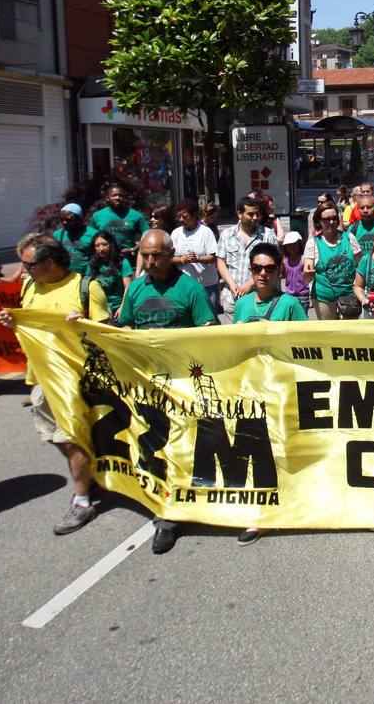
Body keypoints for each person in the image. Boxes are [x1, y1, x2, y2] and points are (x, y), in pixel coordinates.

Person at [0, 237, 111, 535]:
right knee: (54, 436)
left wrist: (84, 322)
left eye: (29, 264)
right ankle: (90, 476)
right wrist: (13, 321)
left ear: (50, 262)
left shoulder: (86, 288)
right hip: (40, 377)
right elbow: (31, 324)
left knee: (73, 436)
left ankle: (83, 499)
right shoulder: (29, 286)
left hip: (74, 379)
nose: (24, 270)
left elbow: (106, 332)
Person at [119, 229, 216, 554]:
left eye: (156, 255)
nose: (149, 261)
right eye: (145, 255)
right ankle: (166, 505)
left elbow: (209, 330)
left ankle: (171, 516)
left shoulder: (189, 288)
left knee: (179, 445)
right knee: (153, 445)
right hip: (146, 383)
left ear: (171, 253)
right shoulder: (135, 289)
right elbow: (127, 326)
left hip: (181, 383)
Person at [215, 195, 275, 321]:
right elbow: (221, 261)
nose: (255, 218)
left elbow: (273, 265)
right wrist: (231, 284)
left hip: (260, 299)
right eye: (251, 214)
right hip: (232, 298)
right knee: (233, 339)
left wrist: (249, 284)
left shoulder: (268, 234)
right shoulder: (227, 235)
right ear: (240, 214)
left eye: (258, 214)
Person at [304, 204, 358, 320]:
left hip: (349, 295)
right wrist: (307, 273)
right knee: (329, 333)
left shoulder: (349, 238)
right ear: (319, 221)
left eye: (334, 218)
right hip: (324, 296)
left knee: (351, 333)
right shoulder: (312, 243)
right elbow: (307, 276)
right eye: (326, 219)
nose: (331, 222)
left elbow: (360, 265)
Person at [232, 242, 308, 325]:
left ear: (279, 272)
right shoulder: (241, 304)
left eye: (269, 268)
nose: (263, 273)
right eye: (256, 268)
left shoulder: (291, 304)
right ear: (251, 270)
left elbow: (305, 335)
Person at [170, 199, 220, 312]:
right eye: (179, 217)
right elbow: (170, 258)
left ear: (194, 215)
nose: (182, 220)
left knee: (209, 320)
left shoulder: (205, 232)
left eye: (185, 216)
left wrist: (198, 258)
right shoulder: (176, 233)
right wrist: (182, 260)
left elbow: (214, 257)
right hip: (185, 285)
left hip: (207, 285)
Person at [90, 183, 150, 259]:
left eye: (121, 195)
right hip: (105, 261)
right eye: (114, 195)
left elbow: (148, 235)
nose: (117, 198)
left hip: (128, 260)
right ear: (107, 198)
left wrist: (135, 248)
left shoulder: (136, 215)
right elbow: (91, 237)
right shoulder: (97, 216)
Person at [86, 230, 132, 318]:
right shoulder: (92, 264)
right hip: (98, 308)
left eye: (104, 244)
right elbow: (88, 286)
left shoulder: (122, 262)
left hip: (118, 307)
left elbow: (128, 287)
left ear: (111, 244)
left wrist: (123, 307)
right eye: (97, 245)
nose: (101, 248)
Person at [53, 203, 97, 275]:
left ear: (80, 219)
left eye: (69, 220)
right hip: (64, 277)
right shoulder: (57, 234)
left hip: (85, 278)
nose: (64, 222)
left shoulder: (93, 234)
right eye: (62, 219)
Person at [346, 193, 374, 261]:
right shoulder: (352, 229)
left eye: (369, 207)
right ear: (358, 209)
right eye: (362, 208)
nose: (365, 210)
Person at [279, 231, 310, 313]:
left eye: (294, 244)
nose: (291, 247)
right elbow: (282, 275)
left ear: (299, 245)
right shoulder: (284, 260)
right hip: (289, 295)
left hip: (303, 296)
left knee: (302, 318)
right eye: (289, 245)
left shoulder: (303, 259)